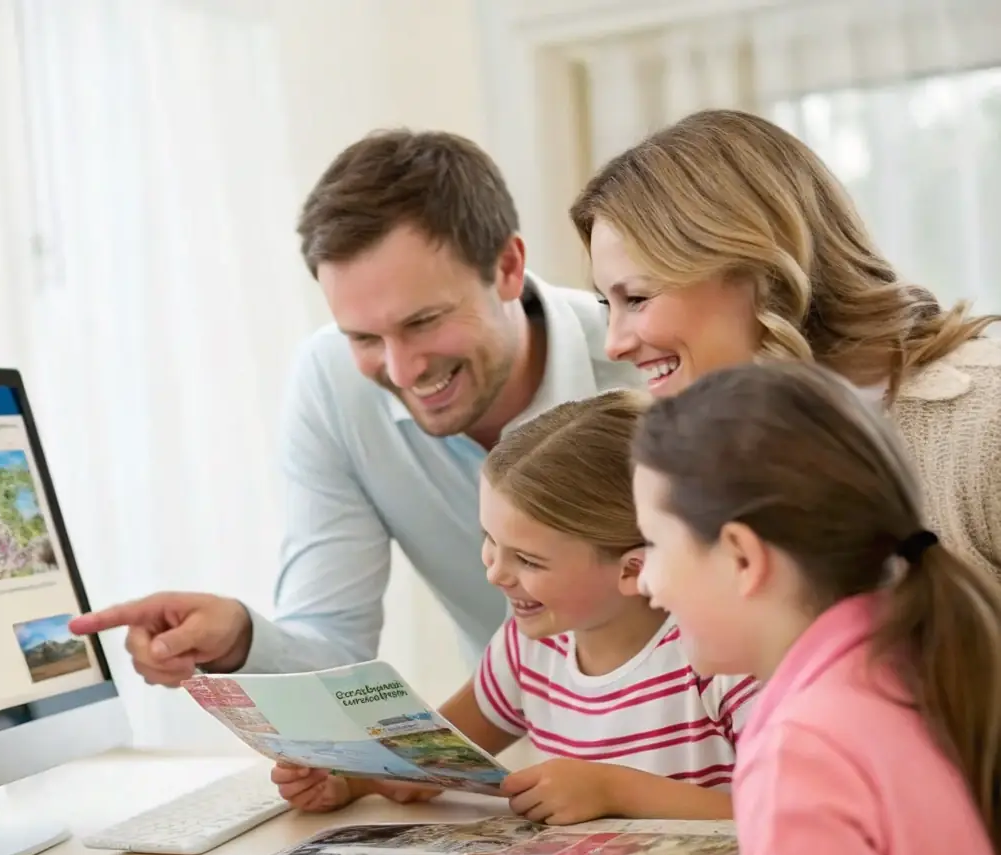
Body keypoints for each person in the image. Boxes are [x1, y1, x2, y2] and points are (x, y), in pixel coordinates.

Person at [70, 130, 639, 682]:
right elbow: (333, 645)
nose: (401, 370)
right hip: (525, 753)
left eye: (423, 321)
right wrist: (242, 639)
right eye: (364, 338)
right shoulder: (333, 382)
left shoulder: (645, 362)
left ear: (508, 268)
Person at [630, 361, 1001, 855]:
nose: (644, 584)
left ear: (742, 557)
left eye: (653, 545)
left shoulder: (804, 753)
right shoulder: (907, 671)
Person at [276, 390, 758, 824]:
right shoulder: (529, 648)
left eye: (527, 559)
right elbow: (429, 757)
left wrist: (615, 789)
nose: (496, 573)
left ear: (632, 570)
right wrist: (348, 780)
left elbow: (784, 809)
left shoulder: (723, 659)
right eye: (490, 540)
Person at [570, 108, 1001, 581]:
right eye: (606, 305)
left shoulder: (985, 425)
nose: (614, 345)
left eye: (636, 297)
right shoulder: (720, 469)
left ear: (760, 271)